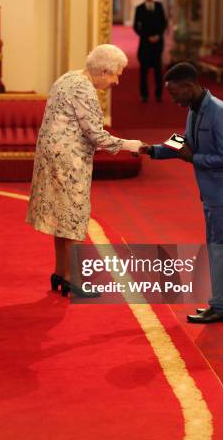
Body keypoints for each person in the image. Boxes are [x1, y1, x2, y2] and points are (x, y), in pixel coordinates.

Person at [140, 63, 223, 323]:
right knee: (220, 248)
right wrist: (153, 150)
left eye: (175, 93)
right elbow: (184, 141)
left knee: (220, 249)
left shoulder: (219, 112)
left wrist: (194, 158)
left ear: (190, 87)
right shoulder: (194, 108)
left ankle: (221, 306)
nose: (172, 98)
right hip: (216, 193)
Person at [26, 44, 143, 297]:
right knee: (73, 216)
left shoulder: (68, 77)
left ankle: (60, 273)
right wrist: (128, 145)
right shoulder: (84, 89)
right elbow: (95, 135)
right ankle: (72, 279)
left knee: (61, 217)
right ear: (103, 71)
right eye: (116, 74)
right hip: (68, 162)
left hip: (52, 157)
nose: (117, 81)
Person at [133, 0, 167, 103]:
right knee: (144, 72)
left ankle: (158, 94)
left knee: (158, 71)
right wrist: (146, 36)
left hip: (157, 45)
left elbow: (164, 23)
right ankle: (144, 95)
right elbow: (135, 27)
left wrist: (158, 35)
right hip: (145, 45)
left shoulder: (159, 6)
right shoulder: (139, 8)